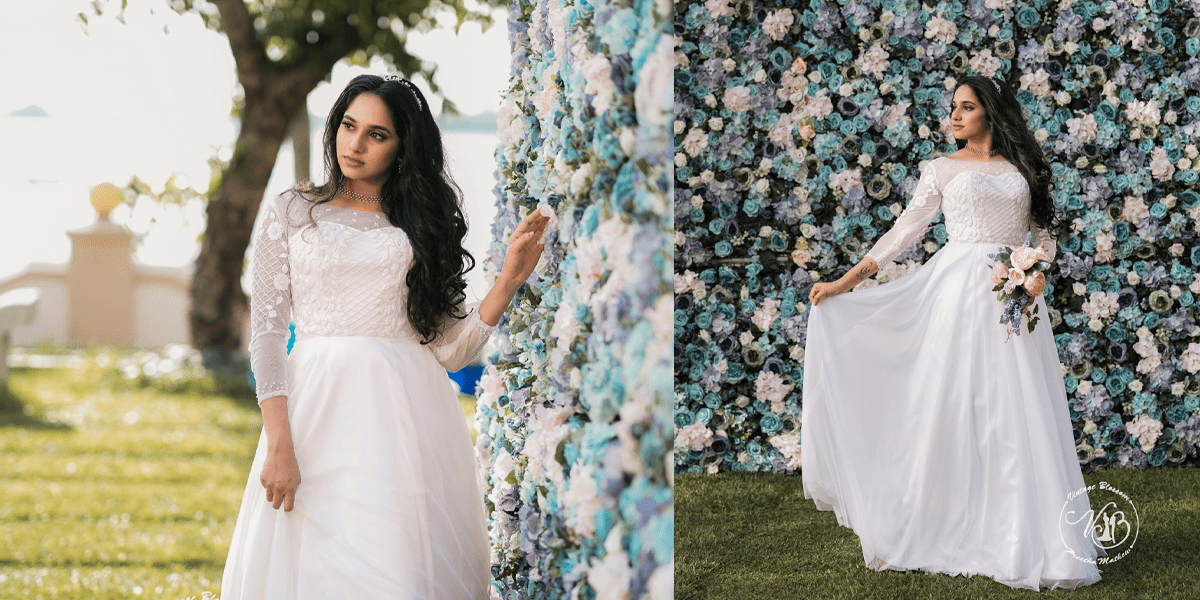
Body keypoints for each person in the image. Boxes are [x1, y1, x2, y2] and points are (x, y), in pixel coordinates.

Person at [219, 73, 551, 599]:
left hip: (404, 419)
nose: (355, 144)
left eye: (377, 134)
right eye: (349, 126)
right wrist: (278, 442)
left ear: (402, 147)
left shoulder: (422, 223)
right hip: (313, 412)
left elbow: (450, 349)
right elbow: (267, 334)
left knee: (395, 569)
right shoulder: (293, 210)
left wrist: (507, 282)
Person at [799, 75, 1106, 590]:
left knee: (1014, 407)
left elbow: (1045, 238)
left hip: (1011, 298)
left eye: (967, 107)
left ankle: (1019, 529)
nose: (955, 116)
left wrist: (1033, 273)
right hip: (957, 293)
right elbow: (905, 230)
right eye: (953, 108)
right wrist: (844, 282)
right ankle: (940, 519)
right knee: (948, 401)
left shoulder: (1024, 169)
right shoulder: (940, 168)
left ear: (991, 112)